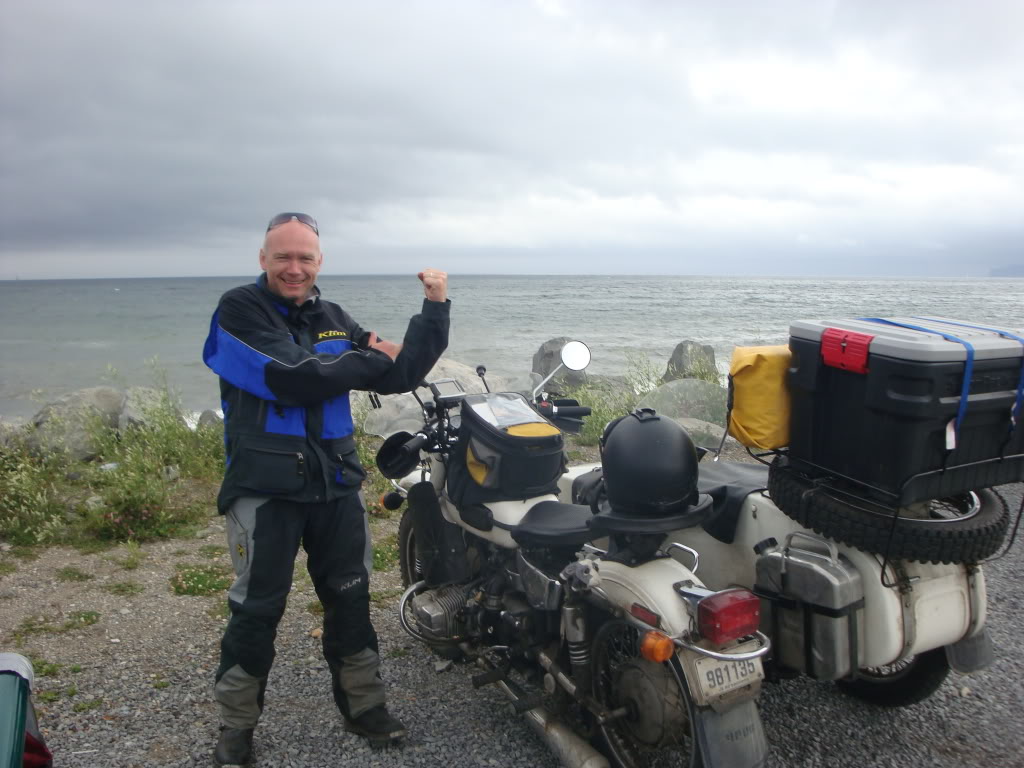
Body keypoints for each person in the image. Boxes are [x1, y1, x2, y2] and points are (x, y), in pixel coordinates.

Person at [202, 212, 450, 766]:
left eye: (305, 258)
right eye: (283, 257)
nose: (294, 268)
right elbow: (294, 374)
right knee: (257, 608)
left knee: (351, 596)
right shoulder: (238, 310)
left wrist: (434, 310)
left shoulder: (332, 316)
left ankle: (364, 707)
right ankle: (236, 727)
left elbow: (400, 372)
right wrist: (361, 359)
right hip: (264, 489)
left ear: (320, 262)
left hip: (336, 484)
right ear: (263, 259)